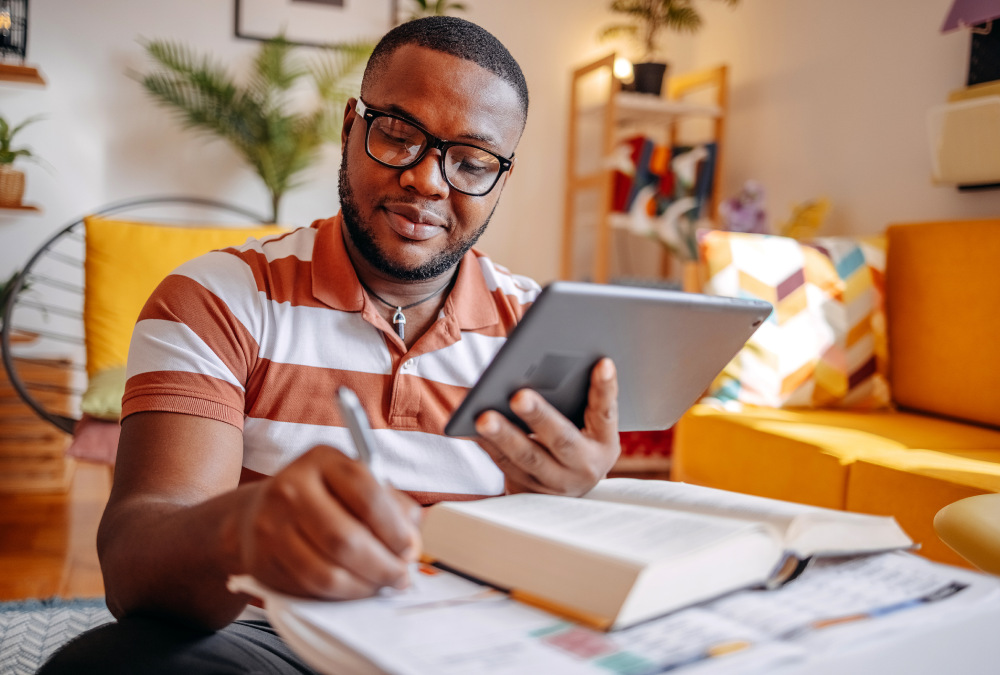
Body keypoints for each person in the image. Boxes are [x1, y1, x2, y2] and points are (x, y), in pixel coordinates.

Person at [41, 16, 620, 674]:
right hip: (273, 638)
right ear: (352, 127)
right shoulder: (213, 299)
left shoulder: (538, 329)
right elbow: (132, 565)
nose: (428, 181)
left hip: (479, 647)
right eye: (400, 135)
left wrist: (573, 498)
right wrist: (244, 529)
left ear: (501, 180)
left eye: (470, 162)